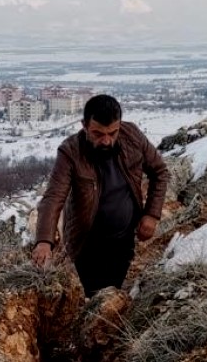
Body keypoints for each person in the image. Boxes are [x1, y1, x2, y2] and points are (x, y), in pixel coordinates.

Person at [32, 94, 169, 296]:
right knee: (93, 295)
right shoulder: (71, 151)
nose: (106, 141)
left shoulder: (132, 136)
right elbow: (54, 197)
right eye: (97, 134)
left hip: (124, 238)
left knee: (113, 289)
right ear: (84, 126)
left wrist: (152, 215)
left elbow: (160, 172)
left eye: (112, 133)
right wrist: (44, 240)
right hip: (88, 243)